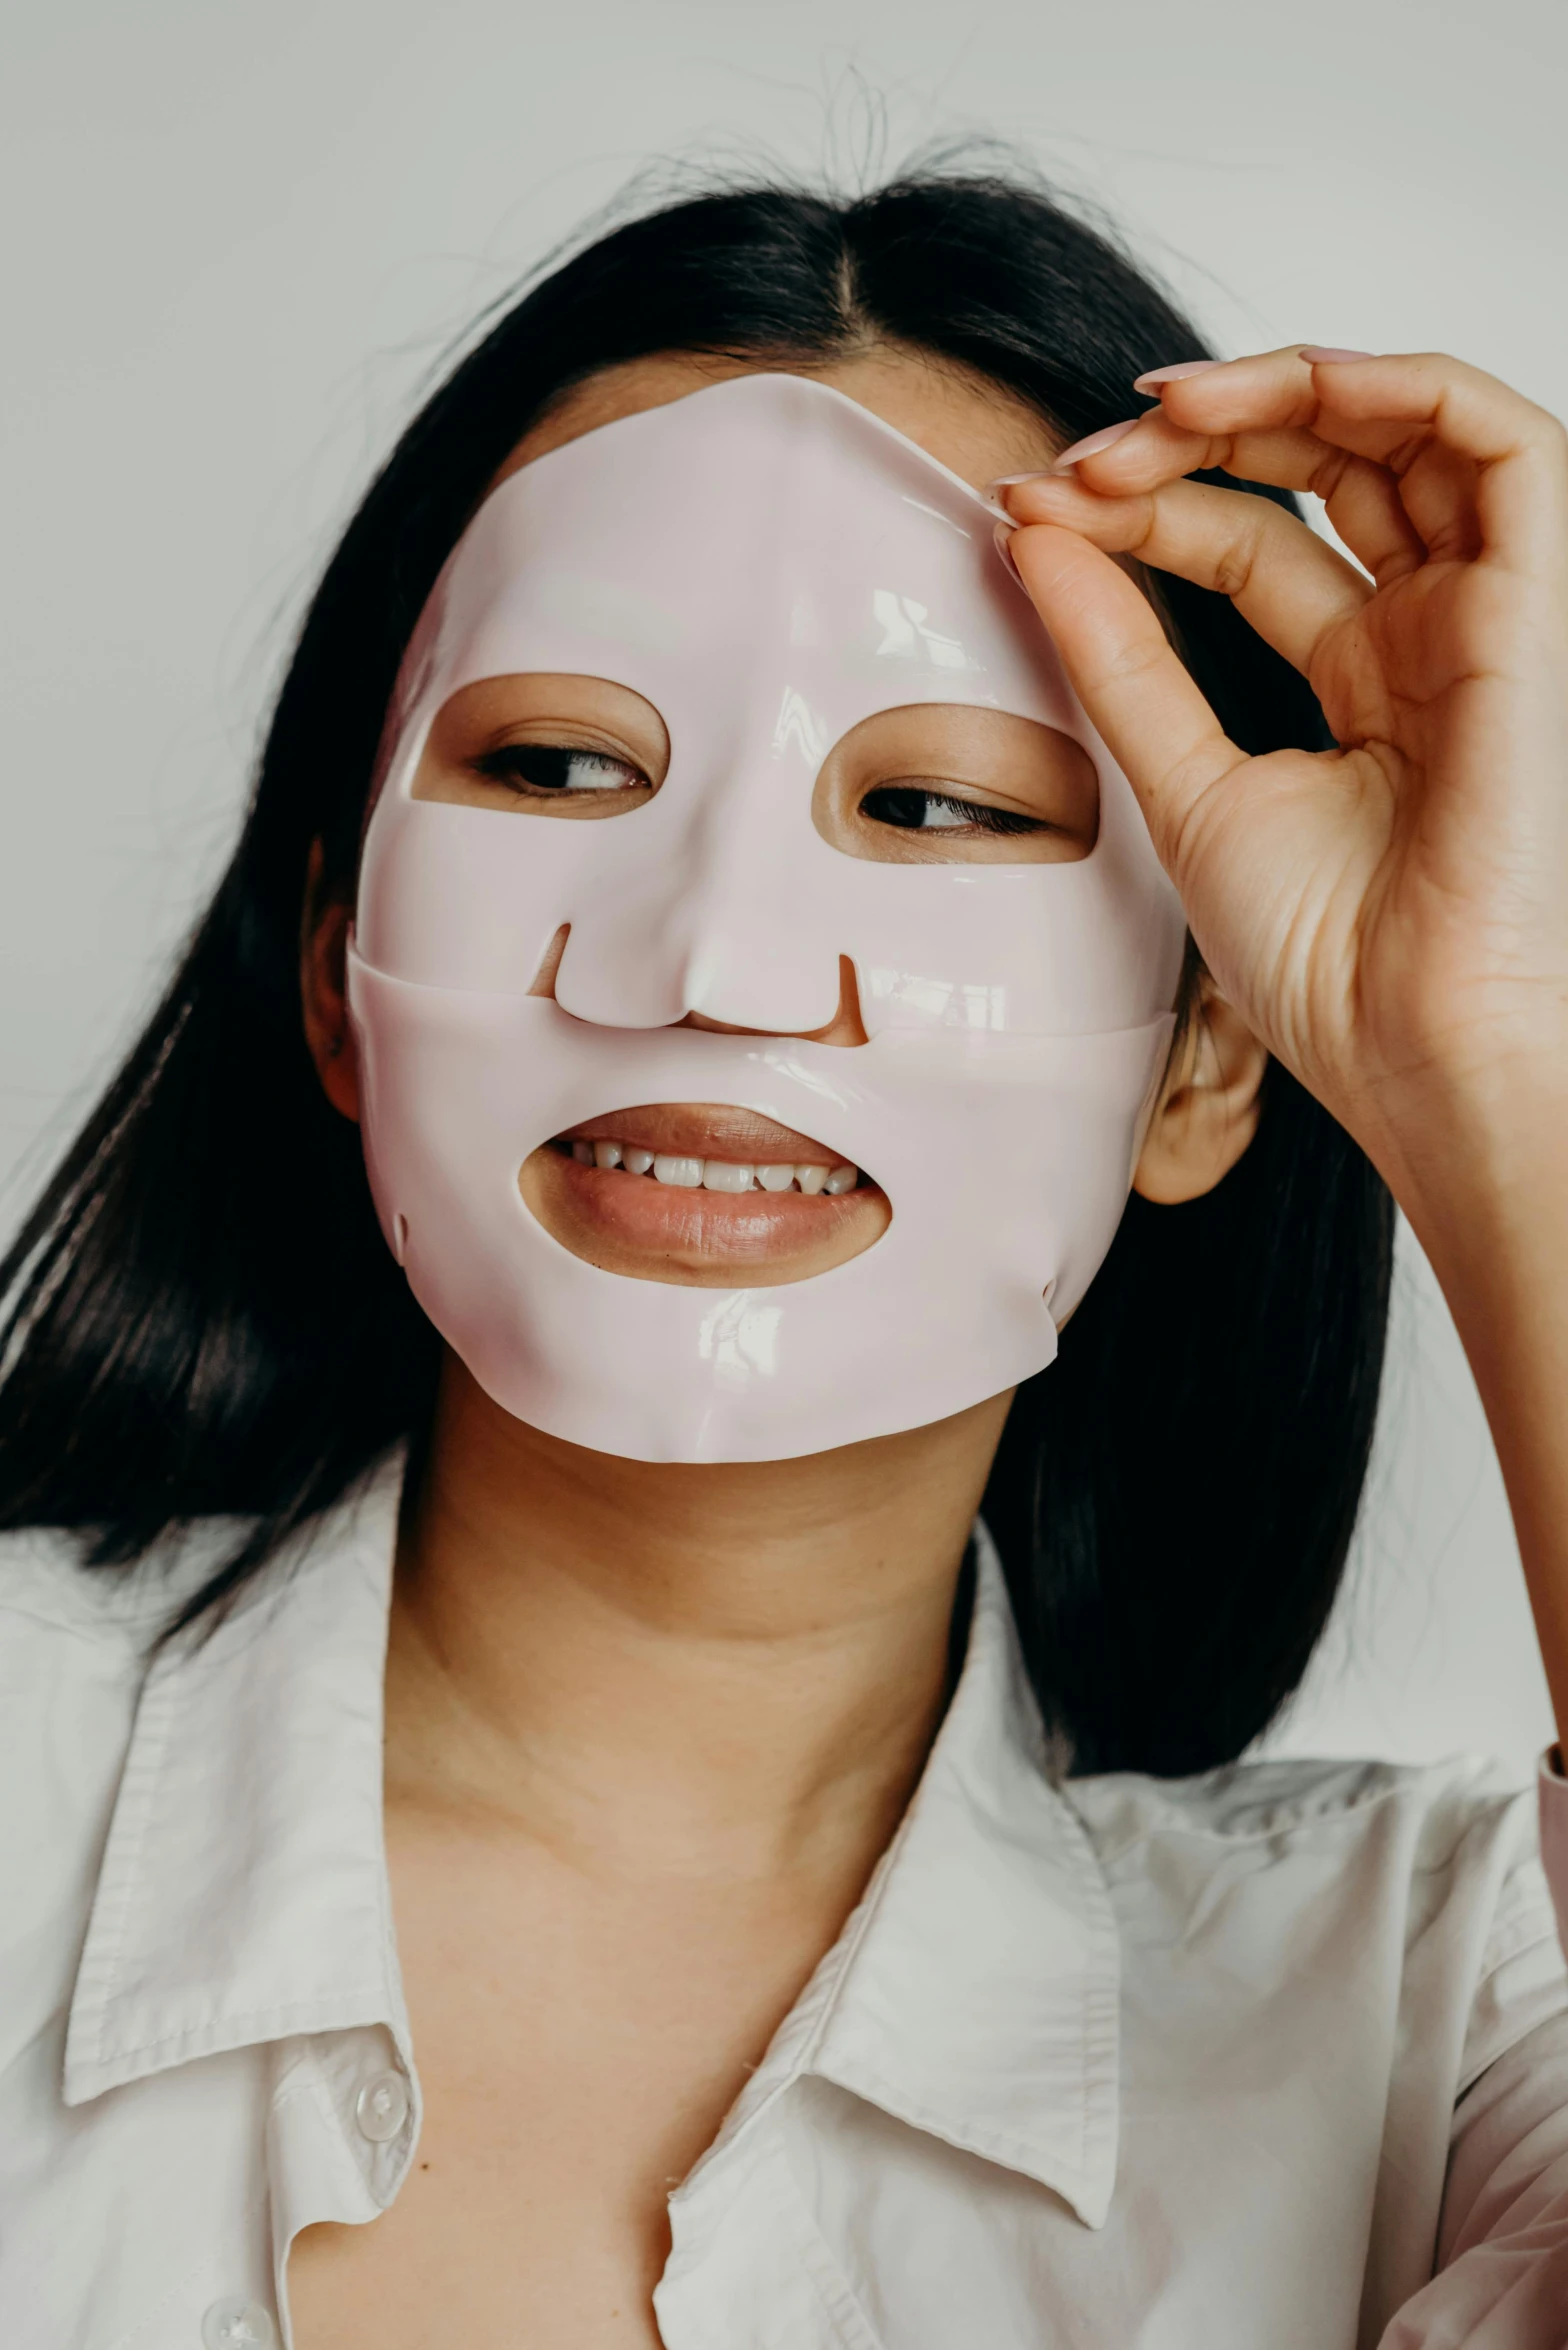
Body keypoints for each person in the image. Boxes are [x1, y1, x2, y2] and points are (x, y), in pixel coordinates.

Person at [2, 170, 1565, 2350]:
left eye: (937, 809)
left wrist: (1489, 1067)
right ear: (338, 961)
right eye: (556, 762)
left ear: (1213, 1055)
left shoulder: (1436, 2011)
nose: (717, 963)